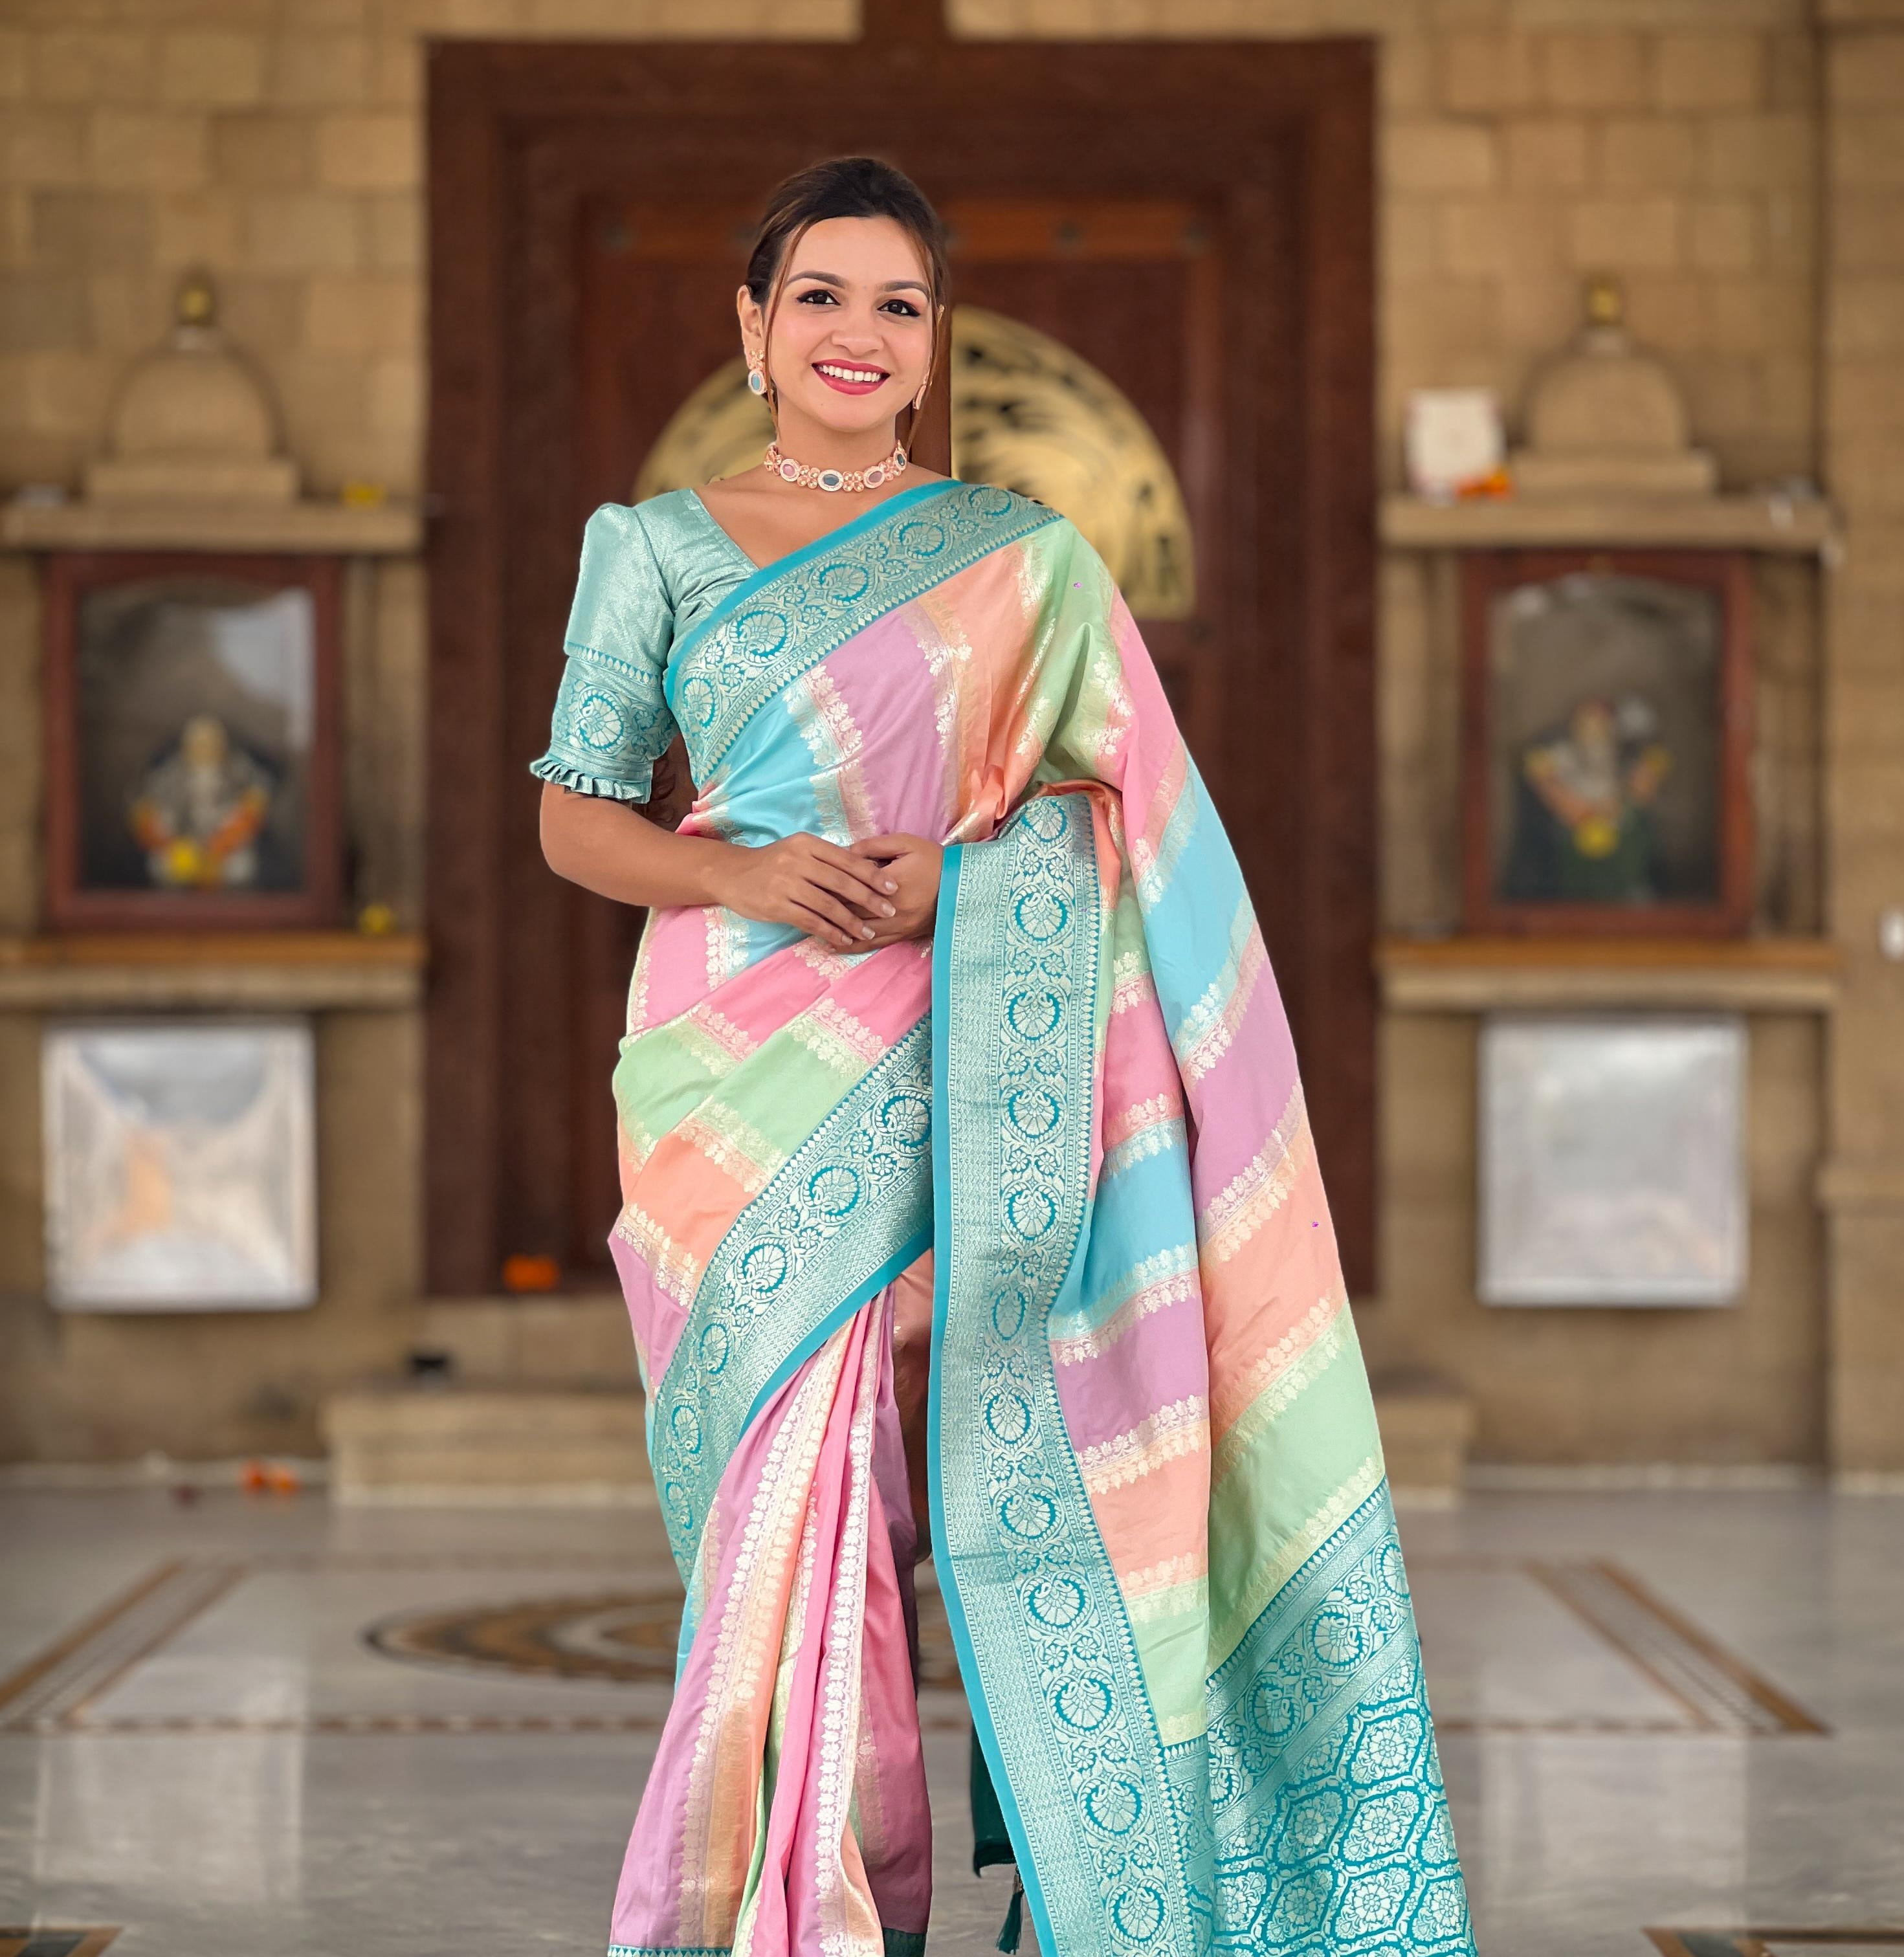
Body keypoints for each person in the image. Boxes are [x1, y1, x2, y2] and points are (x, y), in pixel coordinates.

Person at [534, 155, 1476, 1957]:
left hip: (974, 1045)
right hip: (726, 1072)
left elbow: (1140, 815)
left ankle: (1052, 1874)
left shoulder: (1023, 561)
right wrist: (742, 873)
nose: (859, 334)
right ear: (754, 325)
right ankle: (799, 1908)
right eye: (821, 296)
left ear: (934, 337)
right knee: (779, 1506)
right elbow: (578, 821)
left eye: (898, 304)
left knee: (995, 1462)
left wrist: (963, 876)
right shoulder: (646, 548)